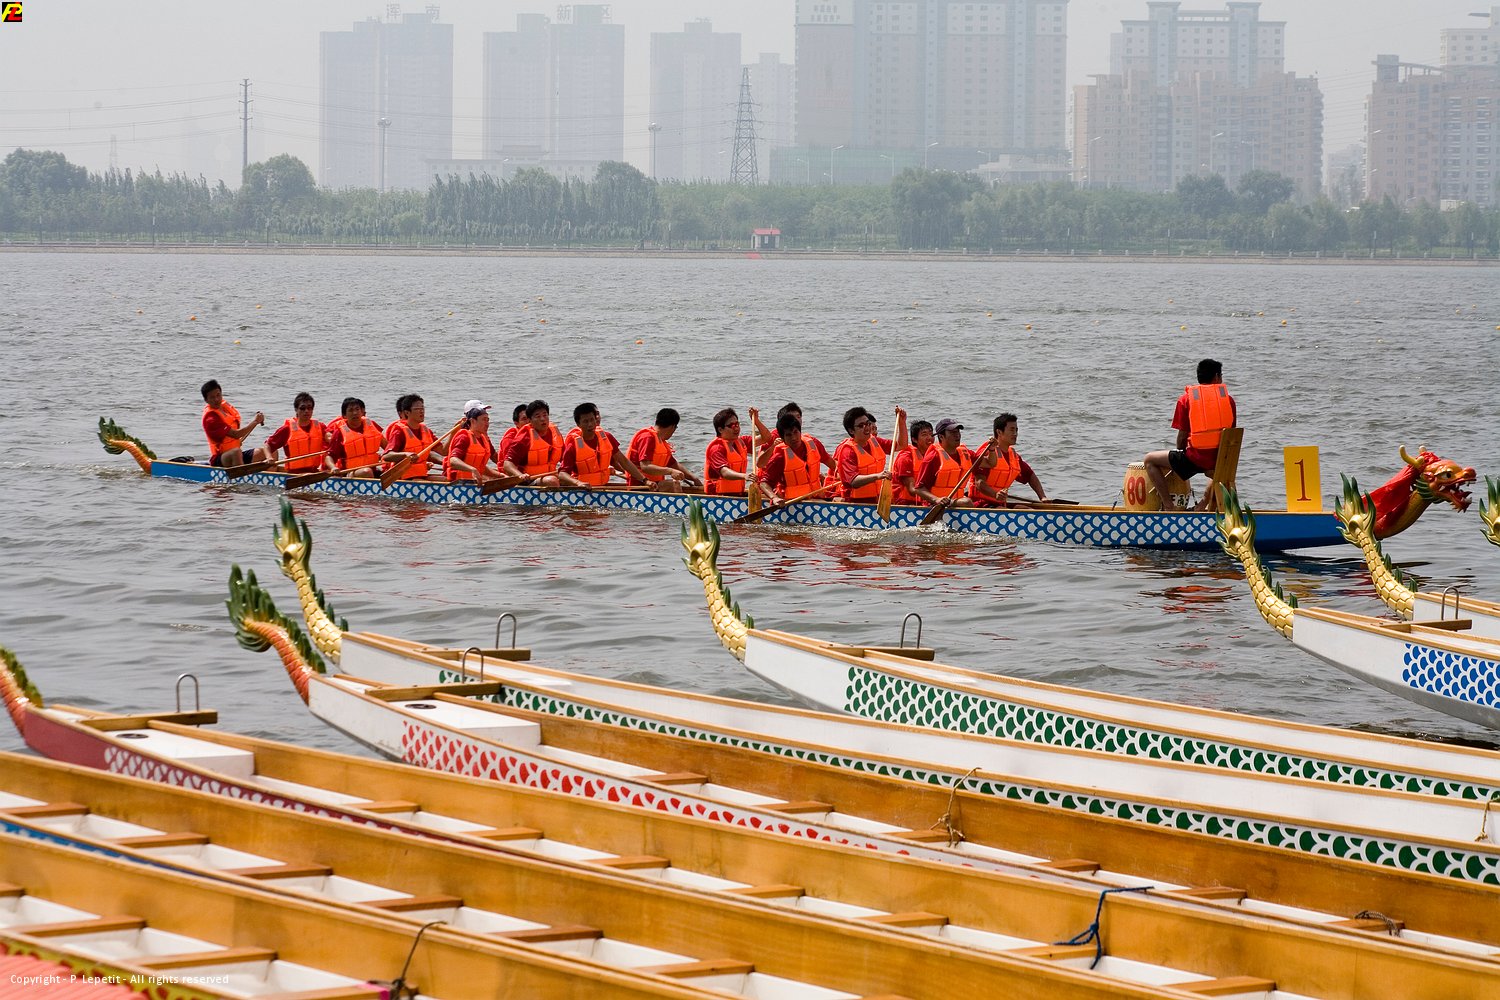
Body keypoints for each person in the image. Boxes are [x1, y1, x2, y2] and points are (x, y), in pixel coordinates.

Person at [1143, 358, 1236, 512]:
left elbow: (1182, 437)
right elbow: (1230, 435)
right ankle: (1202, 505)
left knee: (1149, 460)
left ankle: (1168, 505)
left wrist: (1179, 455)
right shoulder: (1229, 401)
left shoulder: (1185, 399)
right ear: (1216, 377)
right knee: (1219, 471)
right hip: (1218, 460)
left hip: (1193, 459)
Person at [561, 402, 646, 489]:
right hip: (583, 489)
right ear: (578, 424)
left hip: (602, 487)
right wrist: (578, 483)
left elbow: (624, 461)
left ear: (596, 420)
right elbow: (562, 474)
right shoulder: (573, 445)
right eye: (585, 421)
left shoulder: (607, 437)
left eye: (592, 420)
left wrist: (644, 480)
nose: (590, 424)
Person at [971, 413, 1048, 507]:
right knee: (1001, 510)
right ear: (999, 432)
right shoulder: (988, 452)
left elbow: (1030, 475)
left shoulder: (1014, 456)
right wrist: (995, 494)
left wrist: (1042, 497)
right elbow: (979, 483)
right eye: (1011, 430)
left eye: (1016, 430)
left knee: (1025, 509)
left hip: (999, 504)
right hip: (980, 503)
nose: (1015, 434)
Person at [834, 405, 907, 503]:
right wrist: (877, 476)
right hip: (855, 502)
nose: (867, 428)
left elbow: (901, 445)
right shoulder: (848, 451)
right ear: (851, 430)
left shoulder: (874, 441)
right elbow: (853, 481)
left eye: (868, 423)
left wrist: (901, 423)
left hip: (877, 499)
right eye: (861, 426)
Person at [758, 412, 831, 504]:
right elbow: (764, 484)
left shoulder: (814, 444)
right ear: (782, 438)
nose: (794, 438)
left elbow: (832, 463)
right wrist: (774, 498)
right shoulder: (779, 457)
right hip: (792, 502)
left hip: (815, 497)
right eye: (788, 435)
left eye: (795, 432)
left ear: (800, 432)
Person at [628, 408, 702, 491]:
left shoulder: (661, 442)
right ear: (673, 427)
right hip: (641, 485)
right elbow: (645, 467)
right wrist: (670, 471)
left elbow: (673, 464)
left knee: (674, 484)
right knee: (673, 484)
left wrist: (694, 478)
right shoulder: (647, 438)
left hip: (654, 485)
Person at [200, 379, 268, 468]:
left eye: (218, 395)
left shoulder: (225, 407)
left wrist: (256, 422)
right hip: (220, 458)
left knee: (268, 451)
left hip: (236, 455)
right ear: (206, 400)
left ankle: (269, 474)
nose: (216, 399)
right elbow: (236, 434)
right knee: (236, 452)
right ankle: (241, 474)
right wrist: (255, 421)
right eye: (212, 397)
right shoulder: (211, 418)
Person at [502, 399, 569, 488]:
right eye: (538, 416)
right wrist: (520, 475)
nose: (542, 419)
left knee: (569, 478)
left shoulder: (555, 433)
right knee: (551, 481)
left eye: (545, 415)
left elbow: (565, 458)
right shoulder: (524, 438)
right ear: (530, 420)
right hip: (528, 480)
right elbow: (507, 464)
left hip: (549, 476)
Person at [915, 417, 975, 509]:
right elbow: (919, 488)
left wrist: (991, 449)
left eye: (958, 432)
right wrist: (937, 499)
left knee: (967, 501)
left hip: (954, 502)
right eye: (952, 432)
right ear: (941, 437)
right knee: (967, 502)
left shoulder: (966, 454)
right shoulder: (933, 458)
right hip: (935, 505)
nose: (957, 435)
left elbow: (989, 463)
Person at [385, 394, 445, 481]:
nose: (421, 411)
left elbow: (442, 451)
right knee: (426, 484)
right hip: (404, 478)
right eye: (417, 409)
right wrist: (406, 454)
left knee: (448, 480)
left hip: (421, 474)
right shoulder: (399, 432)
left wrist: (455, 431)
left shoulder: (425, 430)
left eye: (422, 408)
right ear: (407, 413)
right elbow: (386, 456)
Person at [264, 392, 327, 473]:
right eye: (302, 408)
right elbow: (267, 445)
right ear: (296, 410)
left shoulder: (320, 427)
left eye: (309, 408)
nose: (306, 411)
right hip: (294, 473)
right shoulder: (287, 429)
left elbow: (330, 437)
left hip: (314, 471)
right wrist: (269, 457)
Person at [704, 407, 758, 495]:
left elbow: (766, 438)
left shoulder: (740, 442)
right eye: (732, 426)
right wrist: (744, 476)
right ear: (720, 429)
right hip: (718, 496)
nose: (736, 428)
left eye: (737, 424)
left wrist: (756, 420)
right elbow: (724, 472)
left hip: (736, 493)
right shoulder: (716, 448)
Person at [325, 397, 384, 477]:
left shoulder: (371, 426)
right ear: (344, 415)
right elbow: (329, 456)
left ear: (362, 412)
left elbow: (387, 448)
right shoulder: (339, 432)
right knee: (366, 471)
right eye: (351, 410)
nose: (355, 413)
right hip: (350, 472)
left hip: (373, 469)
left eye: (357, 409)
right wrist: (333, 467)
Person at [444, 401, 502, 483]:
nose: (487, 423)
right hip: (458, 481)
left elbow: (489, 460)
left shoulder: (482, 437)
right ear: (472, 420)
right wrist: (473, 470)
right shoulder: (464, 436)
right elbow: (450, 458)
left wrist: (502, 473)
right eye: (483, 419)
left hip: (472, 478)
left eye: (487, 419)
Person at [892, 419, 934, 506]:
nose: (930, 437)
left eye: (931, 434)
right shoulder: (905, 458)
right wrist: (936, 498)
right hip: (904, 504)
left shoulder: (933, 455)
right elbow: (911, 490)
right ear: (914, 440)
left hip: (925, 501)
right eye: (924, 435)